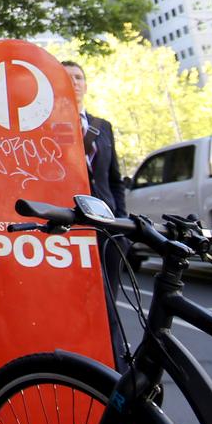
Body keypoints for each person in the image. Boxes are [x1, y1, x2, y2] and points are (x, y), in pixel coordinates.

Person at [62, 60, 127, 370]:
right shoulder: (49, 126)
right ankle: (102, 369)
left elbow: (115, 180)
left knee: (108, 304)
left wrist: (123, 223)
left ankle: (112, 367)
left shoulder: (103, 127)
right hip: (71, 229)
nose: (73, 82)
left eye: (78, 77)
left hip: (108, 227)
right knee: (83, 303)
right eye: (66, 77)